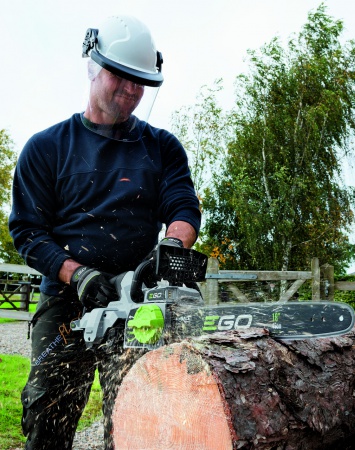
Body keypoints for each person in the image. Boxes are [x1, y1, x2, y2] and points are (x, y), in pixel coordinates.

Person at [9, 15, 201, 450]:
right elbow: (27, 231)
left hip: (139, 299)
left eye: (140, 82)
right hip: (68, 301)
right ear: (93, 65)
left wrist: (171, 247)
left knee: (142, 419)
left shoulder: (162, 147)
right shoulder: (47, 148)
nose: (132, 91)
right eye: (122, 77)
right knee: (48, 413)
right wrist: (77, 274)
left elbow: (183, 207)